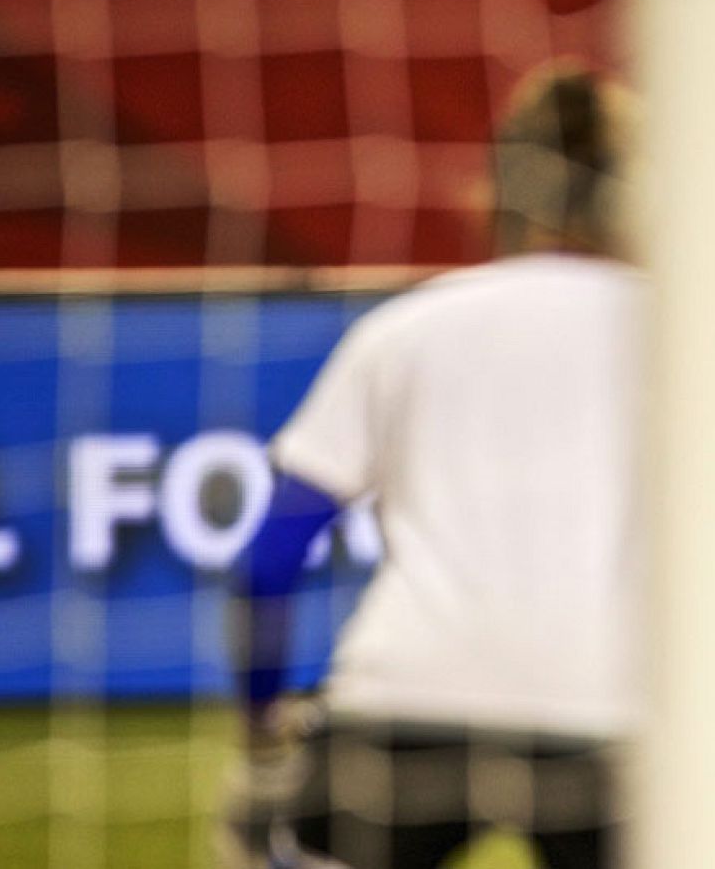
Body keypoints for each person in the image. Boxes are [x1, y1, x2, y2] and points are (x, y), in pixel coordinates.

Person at [220, 62, 641, 869]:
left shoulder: (405, 328)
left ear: (499, 187)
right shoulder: (678, 339)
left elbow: (269, 558)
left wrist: (263, 745)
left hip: (402, 699)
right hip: (606, 708)